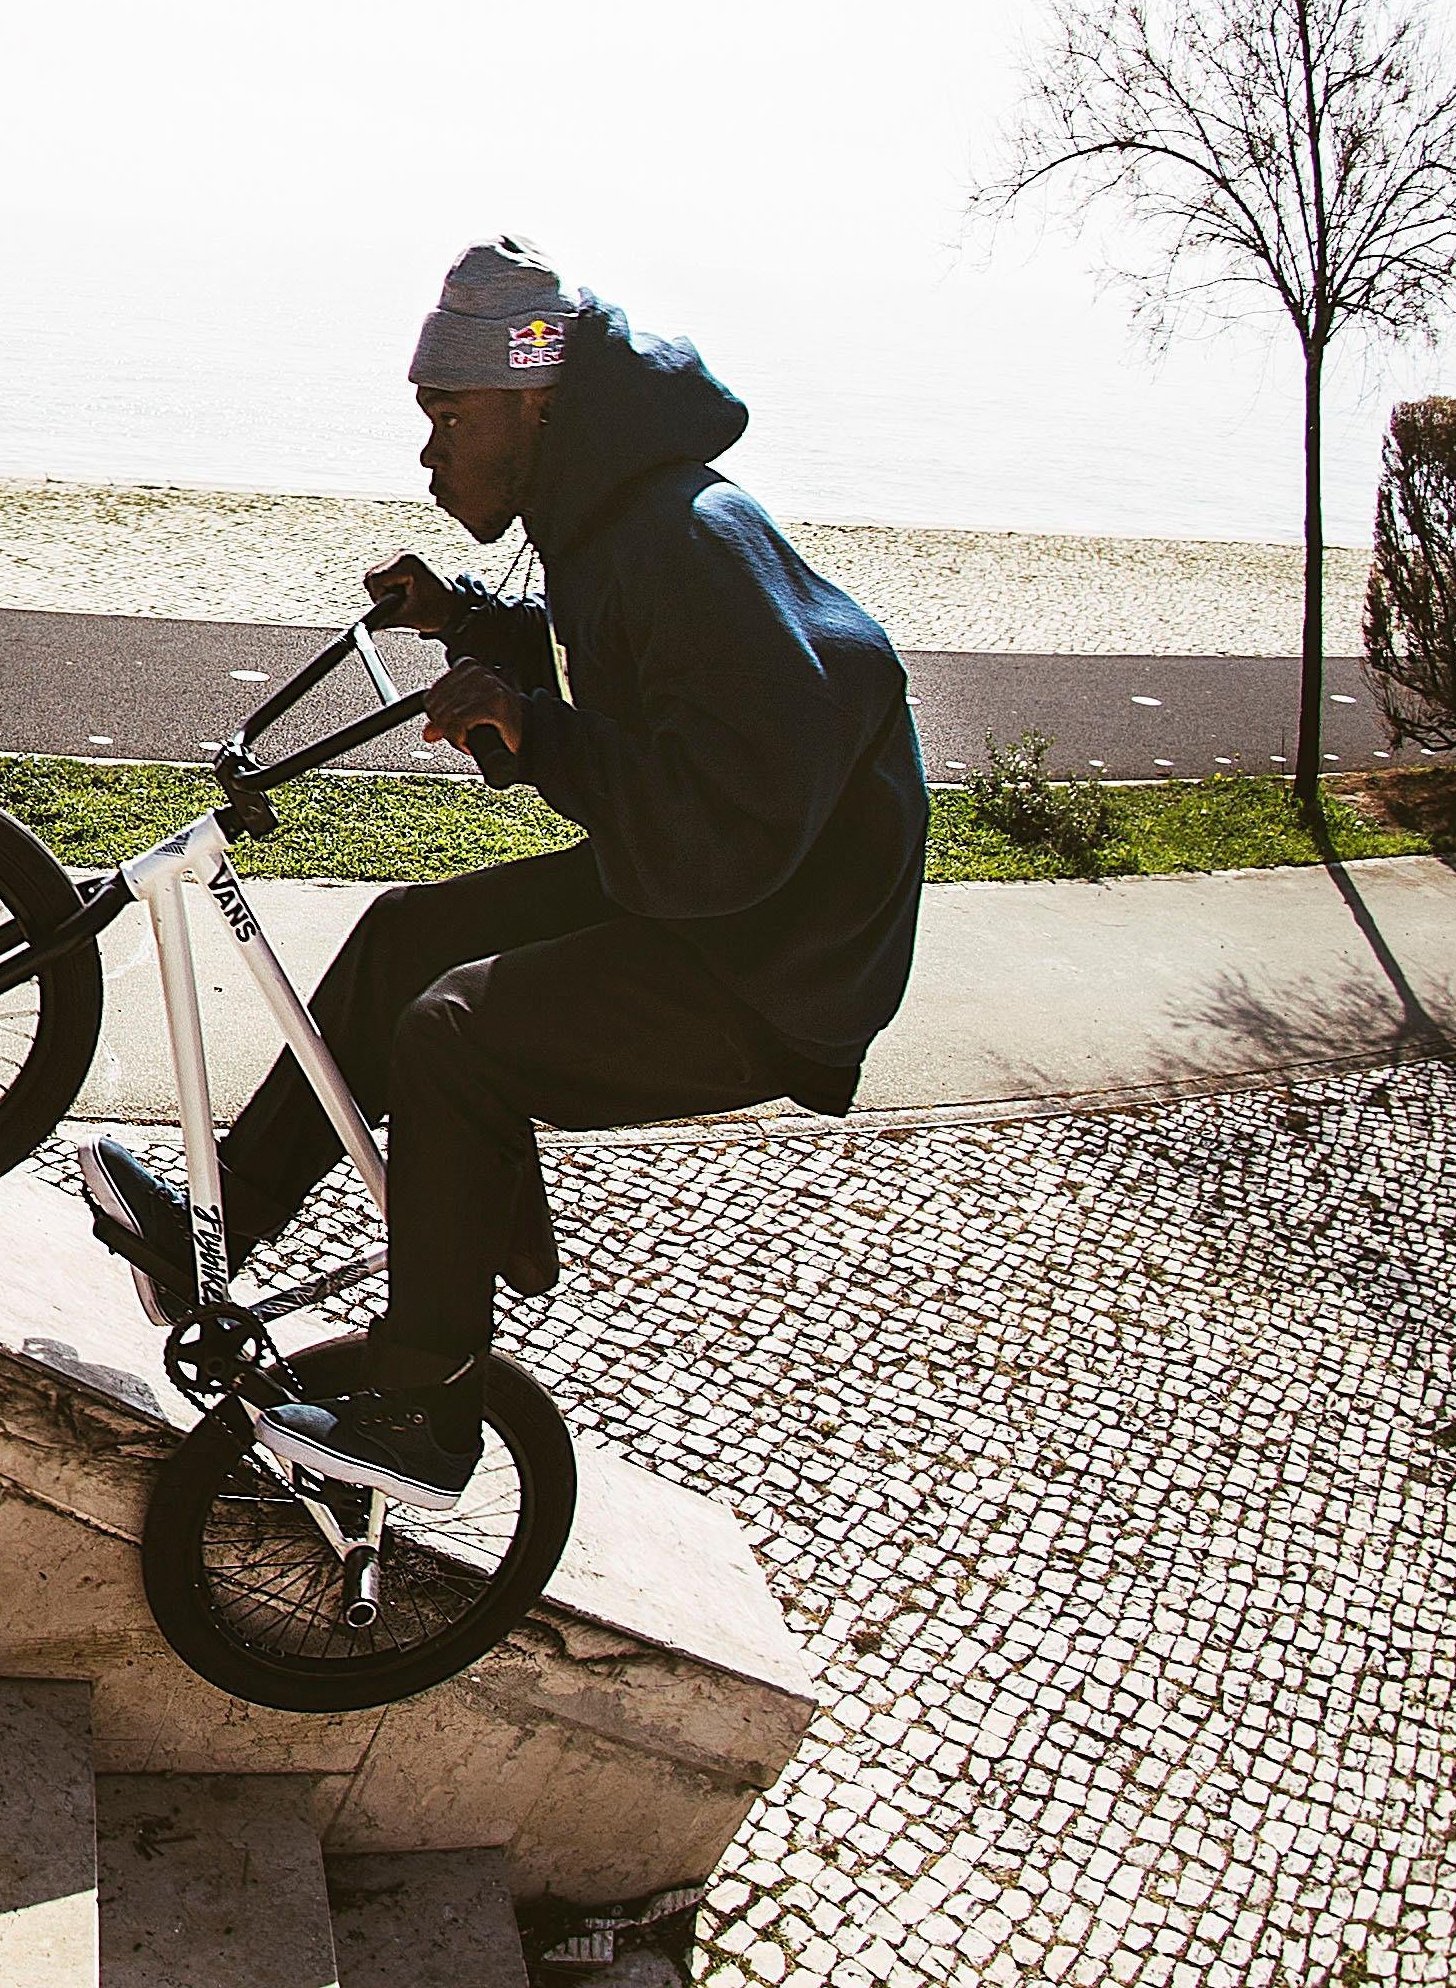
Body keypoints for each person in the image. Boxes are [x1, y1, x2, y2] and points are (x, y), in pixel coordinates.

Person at [79, 238, 928, 1498]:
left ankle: (428, 1408)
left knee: (454, 1032)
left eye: (449, 416)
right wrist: (467, 620)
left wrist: (537, 733)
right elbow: (613, 658)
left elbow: (738, 806)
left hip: (771, 957)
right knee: (400, 936)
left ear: (534, 401)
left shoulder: (687, 536)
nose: (430, 454)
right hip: (701, 885)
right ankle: (229, 1220)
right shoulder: (612, 518)